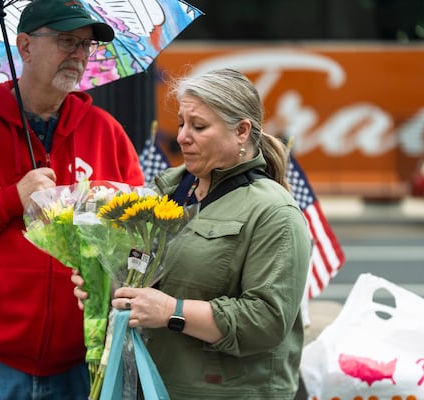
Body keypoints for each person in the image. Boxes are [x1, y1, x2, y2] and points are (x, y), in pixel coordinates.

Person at [0, 0, 144, 398]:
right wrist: (9, 199)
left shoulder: (106, 131)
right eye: (67, 40)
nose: (79, 55)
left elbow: (141, 238)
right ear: (26, 46)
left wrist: (118, 226)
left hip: (83, 363)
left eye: (86, 46)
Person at [73, 68, 312, 399]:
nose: (183, 136)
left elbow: (268, 320)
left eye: (199, 126)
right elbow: (142, 274)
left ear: (242, 131)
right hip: (153, 385)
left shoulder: (274, 212)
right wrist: (105, 284)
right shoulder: (167, 189)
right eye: (183, 123)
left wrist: (173, 312)